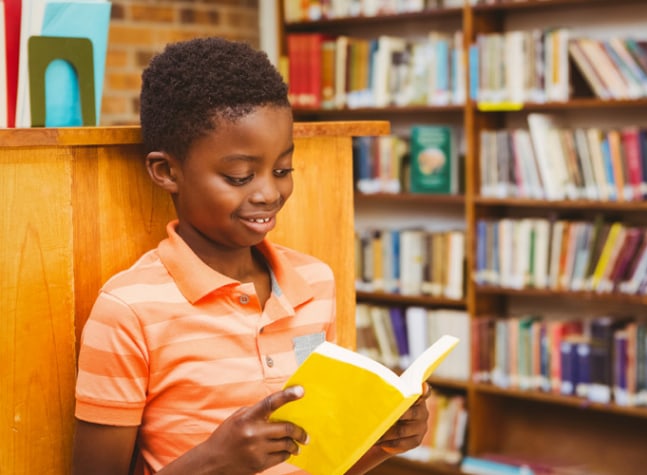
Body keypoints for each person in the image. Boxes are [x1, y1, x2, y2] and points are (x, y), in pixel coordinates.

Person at [72, 37, 431, 475]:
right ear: (167, 172)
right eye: (240, 176)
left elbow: (323, 461)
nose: (268, 193)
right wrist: (216, 460)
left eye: (282, 170)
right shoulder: (129, 309)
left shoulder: (315, 282)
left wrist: (382, 441)